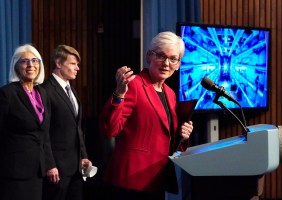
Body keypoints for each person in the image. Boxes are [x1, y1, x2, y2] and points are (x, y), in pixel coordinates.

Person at [100, 31, 194, 200]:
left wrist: (182, 135)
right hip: (132, 180)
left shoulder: (170, 94)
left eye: (173, 59)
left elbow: (164, 137)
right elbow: (110, 129)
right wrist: (119, 94)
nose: (166, 63)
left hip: (157, 179)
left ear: (179, 64)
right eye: (161, 56)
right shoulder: (134, 84)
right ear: (149, 56)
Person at [0, 44, 51, 200]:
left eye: (35, 60)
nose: (31, 65)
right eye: (25, 61)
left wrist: (49, 163)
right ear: (16, 66)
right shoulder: (7, 93)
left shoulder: (42, 92)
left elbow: (44, 134)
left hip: (37, 170)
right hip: (14, 171)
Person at [41, 45, 92, 200]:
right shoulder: (45, 91)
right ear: (58, 63)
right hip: (57, 170)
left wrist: (83, 156)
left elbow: (77, 129)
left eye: (77, 65)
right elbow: (44, 132)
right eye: (73, 64)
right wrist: (50, 164)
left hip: (76, 168)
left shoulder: (72, 90)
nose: (77, 68)